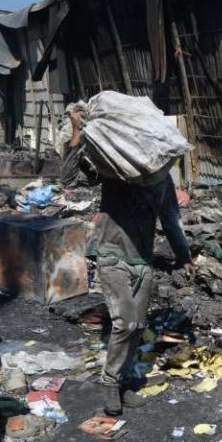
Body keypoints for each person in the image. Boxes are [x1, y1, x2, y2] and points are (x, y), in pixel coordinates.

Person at [62, 107, 194, 416]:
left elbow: (170, 220)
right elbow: (68, 177)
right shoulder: (115, 171)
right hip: (112, 256)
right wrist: (77, 132)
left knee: (138, 326)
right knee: (125, 323)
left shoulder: (160, 182)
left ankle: (123, 383)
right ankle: (110, 383)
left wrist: (184, 256)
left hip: (142, 260)